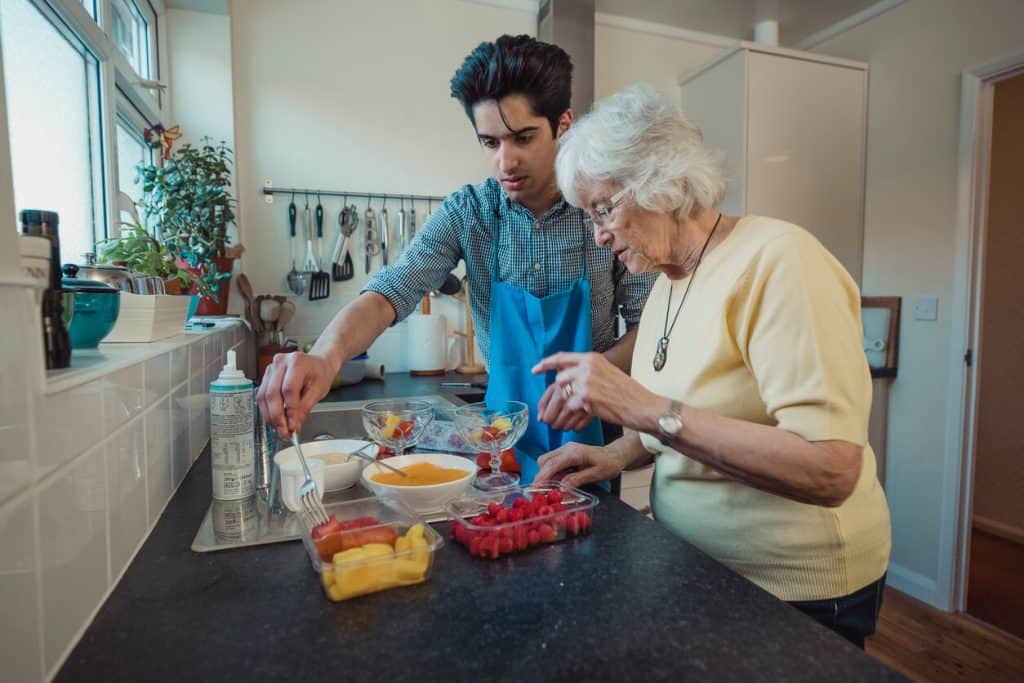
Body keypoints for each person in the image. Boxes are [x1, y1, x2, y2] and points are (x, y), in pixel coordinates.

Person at [533, 84, 891, 648]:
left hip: (794, 590)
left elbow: (831, 469)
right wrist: (613, 453)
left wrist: (642, 409)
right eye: (589, 216)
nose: (598, 234)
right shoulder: (667, 283)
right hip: (700, 567)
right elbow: (686, 419)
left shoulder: (779, 261)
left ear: (663, 182)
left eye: (603, 209)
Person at [257, 36, 655, 484]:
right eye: (489, 142)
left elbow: (651, 324)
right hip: (501, 440)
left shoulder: (605, 210)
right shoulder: (470, 213)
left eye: (523, 138)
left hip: (593, 434)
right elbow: (394, 289)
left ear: (564, 123)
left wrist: (596, 372)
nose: (505, 161)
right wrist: (326, 359)